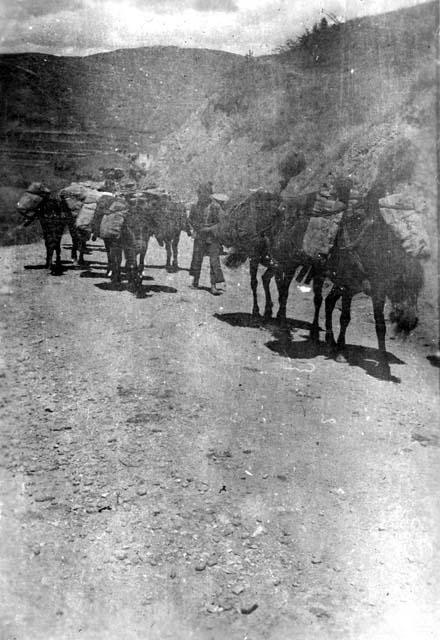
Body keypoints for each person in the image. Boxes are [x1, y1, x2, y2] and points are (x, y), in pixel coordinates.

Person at [189, 186, 227, 295]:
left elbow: (222, 222)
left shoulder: (216, 206)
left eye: (203, 193)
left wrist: (210, 229)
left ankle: (213, 286)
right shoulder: (195, 206)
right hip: (200, 235)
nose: (200, 196)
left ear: (208, 194)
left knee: (214, 261)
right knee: (196, 259)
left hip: (213, 237)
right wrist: (198, 227)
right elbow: (191, 219)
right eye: (199, 193)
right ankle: (195, 282)